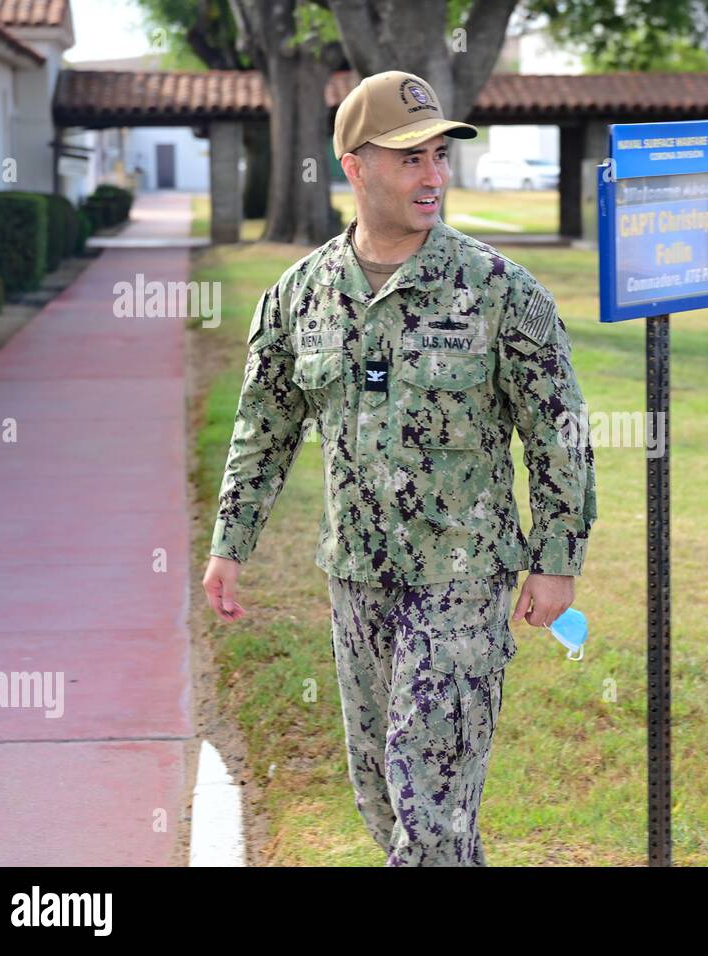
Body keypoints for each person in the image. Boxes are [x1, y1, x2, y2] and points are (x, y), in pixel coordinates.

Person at [201, 71, 597, 864]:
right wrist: (229, 545)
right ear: (354, 164)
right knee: (386, 799)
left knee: (431, 807)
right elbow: (263, 427)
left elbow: (558, 435)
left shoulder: (496, 291)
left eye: (440, 156)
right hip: (356, 578)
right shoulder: (300, 297)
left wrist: (556, 564)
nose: (433, 176)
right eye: (412, 157)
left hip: (462, 580)